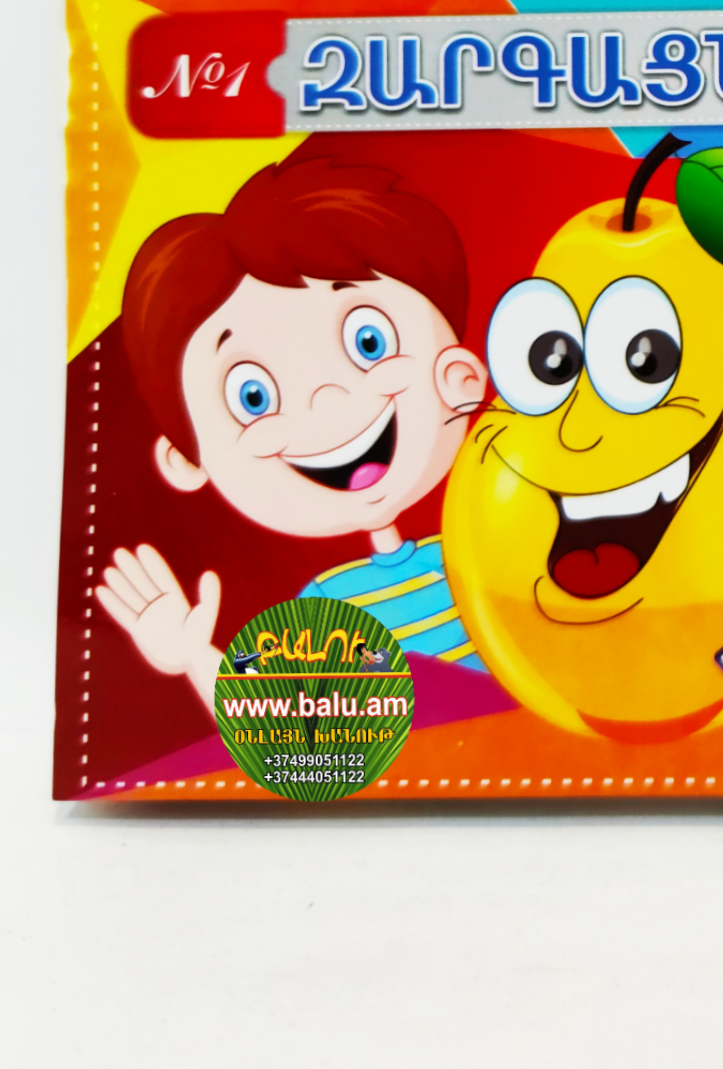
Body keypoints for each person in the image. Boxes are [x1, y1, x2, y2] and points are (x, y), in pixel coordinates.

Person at [93, 158, 490, 713]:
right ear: (187, 459)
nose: (326, 399)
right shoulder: (328, 612)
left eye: (369, 342)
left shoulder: (480, 554)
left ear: (461, 374)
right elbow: (275, 723)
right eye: (252, 396)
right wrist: (194, 656)